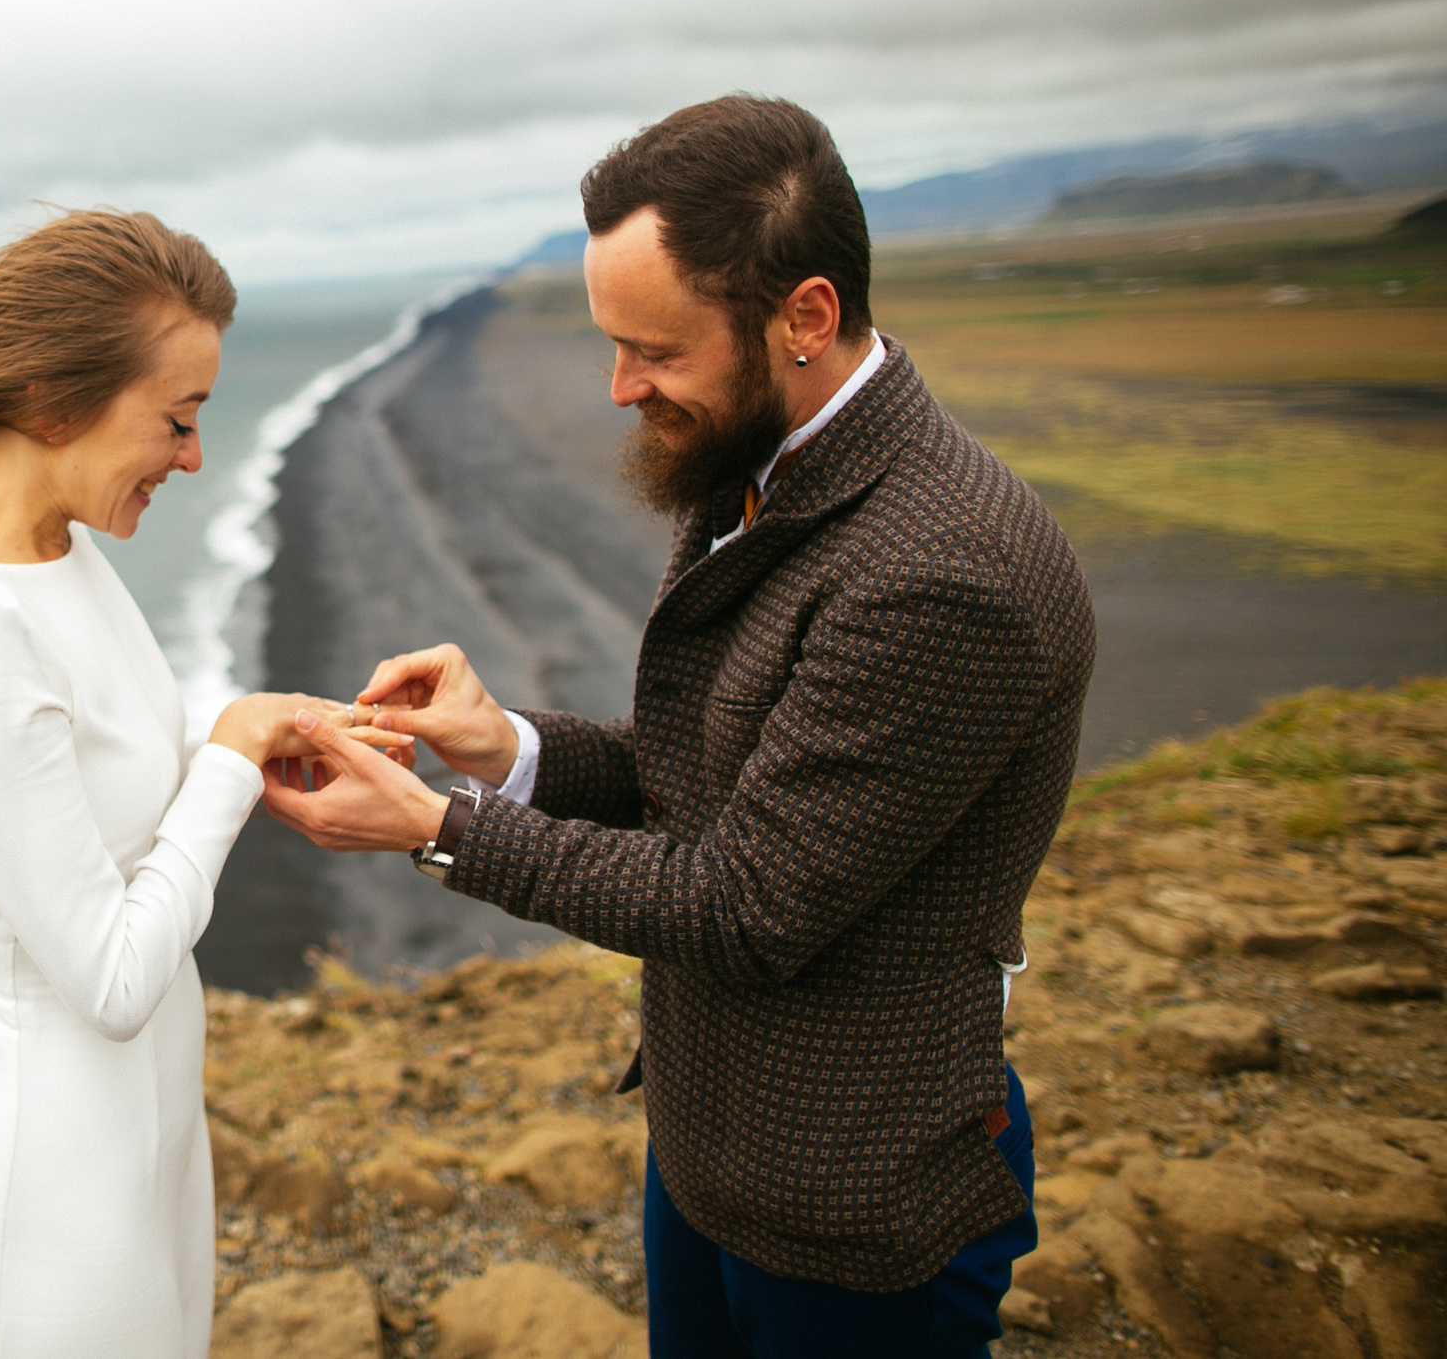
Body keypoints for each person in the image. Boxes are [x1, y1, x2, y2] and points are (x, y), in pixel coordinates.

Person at [266, 97, 1095, 1357]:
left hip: (849, 1196)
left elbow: (746, 902)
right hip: (713, 1150)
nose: (618, 388)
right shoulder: (760, 456)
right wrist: (506, 749)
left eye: (651, 348)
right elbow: (722, 778)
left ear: (803, 316)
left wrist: (441, 829)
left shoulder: (942, 575)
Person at [0, 209, 393, 1359]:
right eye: (178, 420)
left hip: (139, 1147)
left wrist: (263, 730)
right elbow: (110, 977)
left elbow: (108, 774)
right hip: (57, 1192)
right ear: (50, 402)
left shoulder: (58, 552)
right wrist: (229, 761)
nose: (193, 458)